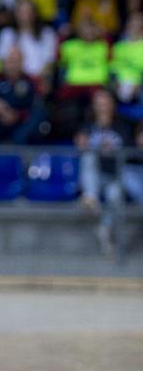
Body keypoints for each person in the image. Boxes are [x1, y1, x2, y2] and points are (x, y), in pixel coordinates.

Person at [76, 89, 141, 255]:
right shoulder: (87, 126)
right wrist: (81, 142)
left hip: (118, 175)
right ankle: (90, 196)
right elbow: (79, 142)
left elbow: (138, 135)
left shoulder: (124, 124)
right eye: (99, 103)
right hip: (97, 175)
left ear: (113, 104)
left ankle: (104, 232)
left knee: (115, 193)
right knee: (88, 157)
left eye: (105, 103)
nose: (102, 107)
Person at [0, 0, 57, 81]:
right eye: (21, 12)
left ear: (35, 13)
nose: (25, 15)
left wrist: (37, 81)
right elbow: (2, 61)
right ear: (15, 14)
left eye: (28, 11)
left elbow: (49, 62)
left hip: (38, 80)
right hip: (14, 80)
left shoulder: (47, 34)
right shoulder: (7, 34)